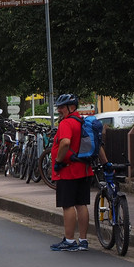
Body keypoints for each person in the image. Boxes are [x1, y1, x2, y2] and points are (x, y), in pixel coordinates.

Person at [49, 93, 105, 251]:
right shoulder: (83, 122)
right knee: (81, 205)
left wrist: (59, 162)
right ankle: (83, 240)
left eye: (62, 107)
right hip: (84, 170)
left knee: (67, 205)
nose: (59, 110)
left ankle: (70, 241)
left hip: (68, 171)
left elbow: (65, 142)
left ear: (71, 107)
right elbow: (98, 144)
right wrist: (106, 163)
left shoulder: (67, 123)